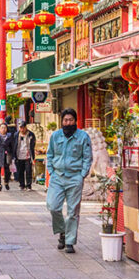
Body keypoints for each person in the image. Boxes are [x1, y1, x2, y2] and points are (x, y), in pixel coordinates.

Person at [45, 108, 92, 254]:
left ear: (75, 121)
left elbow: (87, 157)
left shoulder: (83, 137)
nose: (68, 122)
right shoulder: (55, 136)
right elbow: (50, 154)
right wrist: (51, 172)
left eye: (71, 120)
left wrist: (82, 175)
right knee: (53, 206)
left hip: (74, 177)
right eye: (66, 120)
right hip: (57, 177)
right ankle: (62, 232)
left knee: (73, 211)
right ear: (62, 121)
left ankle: (70, 242)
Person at [11, 122, 37, 190]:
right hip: (19, 155)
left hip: (28, 155)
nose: (22, 129)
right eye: (20, 128)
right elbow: (14, 144)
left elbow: (33, 144)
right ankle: (22, 185)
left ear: (26, 127)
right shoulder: (16, 135)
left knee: (28, 171)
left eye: (23, 127)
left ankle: (28, 185)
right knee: (20, 171)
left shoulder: (31, 134)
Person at [0, 123, 14, 191]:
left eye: (5, 128)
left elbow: (12, 146)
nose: (3, 129)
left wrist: (10, 151)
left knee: (7, 170)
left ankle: (6, 182)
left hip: (7, 155)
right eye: (2, 128)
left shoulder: (9, 137)